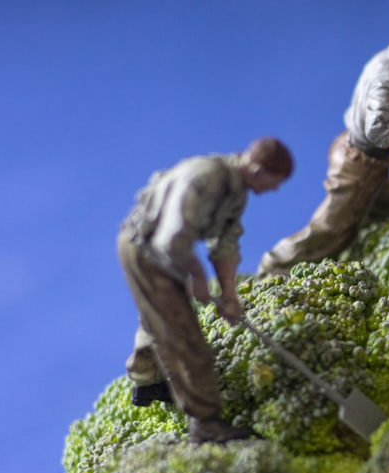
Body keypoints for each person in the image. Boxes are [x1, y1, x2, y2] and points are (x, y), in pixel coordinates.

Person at [118, 137, 294, 443]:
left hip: (162, 251)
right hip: (146, 251)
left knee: (161, 319)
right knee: (186, 338)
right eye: (274, 181)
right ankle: (206, 424)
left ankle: (148, 379)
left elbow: (224, 245)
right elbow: (171, 240)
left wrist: (229, 295)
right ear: (256, 169)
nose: (275, 189)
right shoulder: (206, 178)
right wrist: (197, 277)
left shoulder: (236, 192)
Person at [257, 11, 389, 275]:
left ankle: (368, 262)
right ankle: (272, 270)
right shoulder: (388, 78)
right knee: (329, 230)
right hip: (360, 164)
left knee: (386, 210)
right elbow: (381, 130)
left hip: (369, 159)